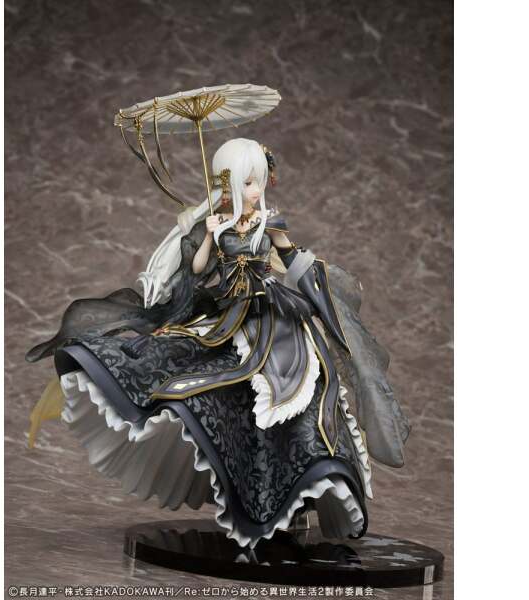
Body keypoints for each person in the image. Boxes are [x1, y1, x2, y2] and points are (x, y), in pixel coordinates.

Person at [26, 138, 410, 548]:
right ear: (225, 185)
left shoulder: (269, 223)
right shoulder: (218, 224)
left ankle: (295, 497)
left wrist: (326, 289)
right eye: (246, 182)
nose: (255, 190)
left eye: (258, 181)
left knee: (294, 399)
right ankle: (253, 487)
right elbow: (197, 269)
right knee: (201, 382)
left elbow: (293, 260)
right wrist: (208, 234)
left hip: (273, 319)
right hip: (229, 316)